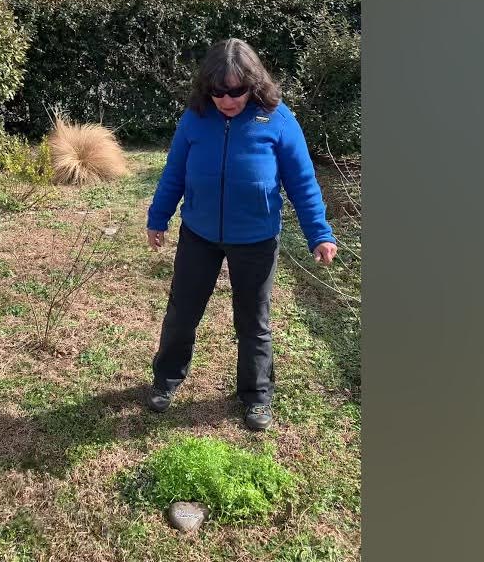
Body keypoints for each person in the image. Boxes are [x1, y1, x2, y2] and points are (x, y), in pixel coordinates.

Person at [144, 38, 339, 431]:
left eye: (237, 90)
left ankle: (256, 396)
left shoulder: (279, 119)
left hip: (256, 238)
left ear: (254, 83)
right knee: (182, 313)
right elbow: (175, 173)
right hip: (199, 233)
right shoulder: (195, 118)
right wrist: (158, 216)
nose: (228, 100)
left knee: (253, 321)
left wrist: (319, 232)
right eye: (219, 91)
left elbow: (302, 182)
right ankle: (166, 379)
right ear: (207, 88)